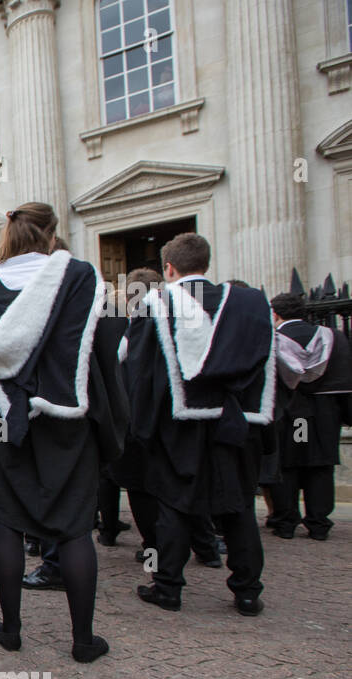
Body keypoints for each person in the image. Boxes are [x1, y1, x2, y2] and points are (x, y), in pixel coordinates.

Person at [0, 202, 126, 662]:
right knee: (73, 529)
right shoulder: (80, 279)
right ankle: (83, 640)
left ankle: (10, 628)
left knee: (7, 521)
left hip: (4, 421)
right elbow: (100, 354)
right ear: (51, 235)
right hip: (67, 418)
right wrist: (111, 423)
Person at [125, 232, 275, 616]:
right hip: (236, 420)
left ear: (169, 268)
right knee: (239, 506)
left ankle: (168, 587)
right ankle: (246, 591)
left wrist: (142, 431)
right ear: (206, 264)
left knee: (173, 506)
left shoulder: (156, 303)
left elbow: (142, 375)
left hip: (179, 424)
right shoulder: (247, 302)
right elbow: (264, 365)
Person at [269, 292, 352, 539]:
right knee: (320, 465)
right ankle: (318, 522)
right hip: (324, 413)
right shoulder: (333, 338)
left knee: (289, 465)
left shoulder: (273, 340)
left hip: (291, 413)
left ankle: (286, 521)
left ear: (276, 314)